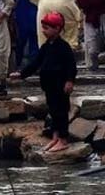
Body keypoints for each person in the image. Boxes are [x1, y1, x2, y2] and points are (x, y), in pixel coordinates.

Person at [10, 12, 76, 152]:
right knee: (52, 112)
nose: (44, 31)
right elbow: (36, 63)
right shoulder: (46, 46)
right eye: (43, 28)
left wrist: (69, 81)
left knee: (61, 112)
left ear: (57, 29)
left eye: (47, 28)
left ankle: (63, 140)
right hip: (49, 85)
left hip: (60, 85)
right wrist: (21, 74)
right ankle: (55, 137)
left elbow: (71, 66)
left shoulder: (63, 47)